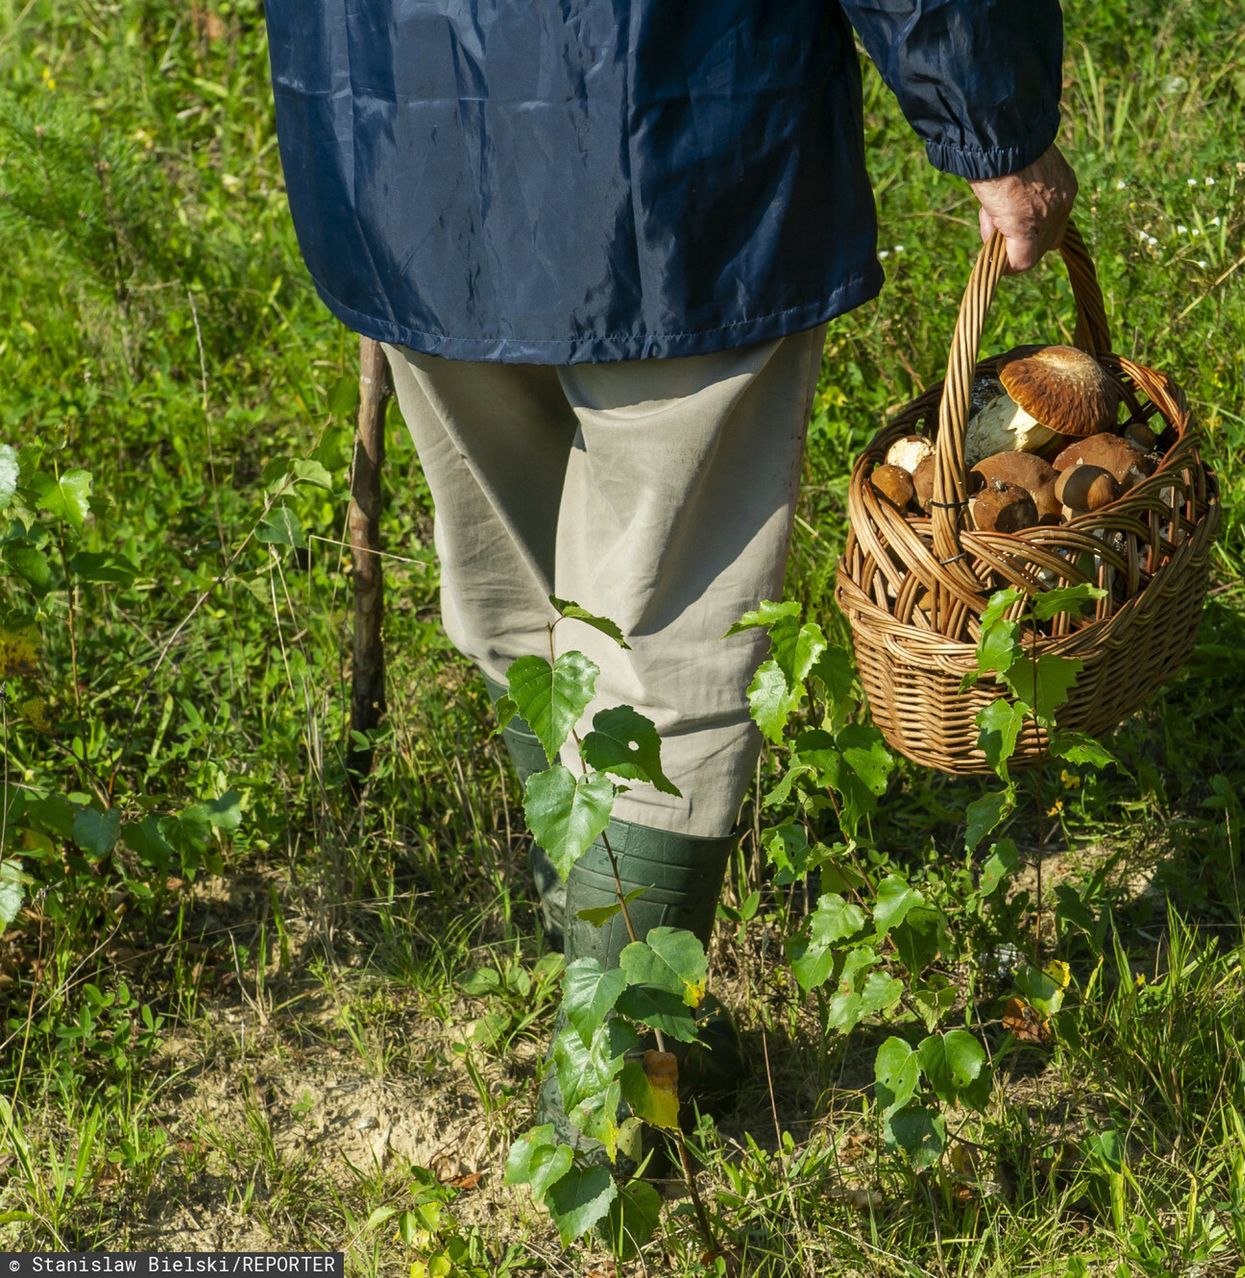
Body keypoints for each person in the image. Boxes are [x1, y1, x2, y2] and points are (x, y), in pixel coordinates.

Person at [260, 1, 1077, 1133]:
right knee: (668, 621)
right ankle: (616, 1092)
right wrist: (995, 123)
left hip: (394, 131)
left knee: (529, 594)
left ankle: (618, 1007)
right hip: (682, 136)